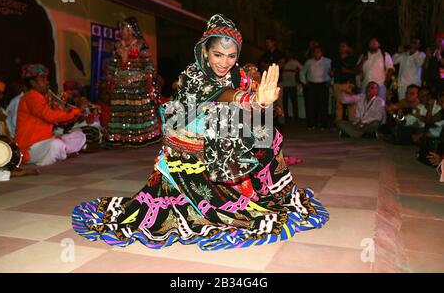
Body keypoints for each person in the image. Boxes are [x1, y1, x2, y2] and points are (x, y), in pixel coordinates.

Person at [72, 14, 329, 251]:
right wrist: (250, 99)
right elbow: (221, 94)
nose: (224, 62)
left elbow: (249, 94)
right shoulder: (193, 76)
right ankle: (234, 191)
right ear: (204, 52)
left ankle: (256, 189)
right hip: (188, 155)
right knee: (231, 119)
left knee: (265, 130)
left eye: (230, 56)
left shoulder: (235, 73)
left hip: (217, 145)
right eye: (218, 55)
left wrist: (264, 99)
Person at [15, 64, 86, 166]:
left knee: (80, 135)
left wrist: (77, 112)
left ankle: (60, 153)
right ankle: (60, 153)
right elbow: (49, 116)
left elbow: (60, 118)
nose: (47, 82)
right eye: (43, 79)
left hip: (45, 141)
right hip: (30, 147)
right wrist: (76, 110)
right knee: (56, 144)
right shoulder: (31, 97)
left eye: (46, 79)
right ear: (33, 82)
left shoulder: (45, 98)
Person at [106, 17, 160, 147]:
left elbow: (147, 63)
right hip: (120, 83)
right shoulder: (117, 46)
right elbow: (113, 64)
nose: (121, 31)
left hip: (137, 84)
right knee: (121, 110)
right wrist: (109, 76)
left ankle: (139, 137)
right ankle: (121, 137)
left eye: (124, 28)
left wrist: (148, 77)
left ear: (131, 30)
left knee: (136, 111)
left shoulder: (141, 44)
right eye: (120, 28)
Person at [300, 45, 332, 129]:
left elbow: (332, 72)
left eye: (319, 51)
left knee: (323, 105)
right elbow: (302, 72)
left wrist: (331, 82)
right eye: (315, 52)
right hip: (312, 85)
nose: (317, 53)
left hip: (323, 85)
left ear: (322, 52)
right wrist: (304, 82)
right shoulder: (309, 62)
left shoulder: (328, 61)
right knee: (311, 105)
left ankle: (323, 124)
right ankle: (311, 124)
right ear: (313, 53)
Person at [331, 41, 358, 123]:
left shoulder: (353, 59)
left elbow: (356, 72)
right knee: (338, 105)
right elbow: (332, 71)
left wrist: (347, 70)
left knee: (351, 104)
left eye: (344, 46)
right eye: (340, 46)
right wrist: (331, 72)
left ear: (348, 48)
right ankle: (339, 123)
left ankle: (352, 123)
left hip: (348, 83)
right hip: (337, 83)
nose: (341, 48)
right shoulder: (335, 58)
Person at [280, 51, 302, 120]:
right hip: (285, 85)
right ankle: (286, 116)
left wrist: (298, 75)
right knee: (285, 102)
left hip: (292, 84)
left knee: (293, 102)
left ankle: (295, 117)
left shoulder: (295, 62)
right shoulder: (283, 62)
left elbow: (302, 68)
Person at [423, 32, 444, 97]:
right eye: (436, 41)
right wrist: (427, 57)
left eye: (440, 41)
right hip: (432, 82)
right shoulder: (432, 51)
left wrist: (439, 57)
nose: (438, 43)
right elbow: (425, 67)